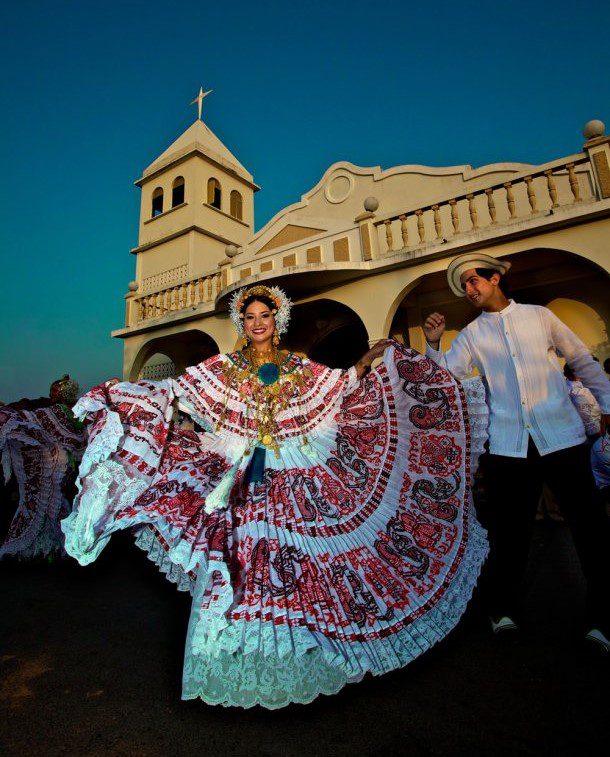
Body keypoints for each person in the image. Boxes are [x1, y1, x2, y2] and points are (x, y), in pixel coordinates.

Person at [62, 284, 489, 709]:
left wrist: (368, 359)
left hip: (294, 467)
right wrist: (128, 393)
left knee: (297, 561)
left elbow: (340, 386)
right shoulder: (224, 367)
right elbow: (178, 388)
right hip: (241, 469)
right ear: (242, 324)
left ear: (277, 320)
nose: (257, 323)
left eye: (264, 316)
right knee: (243, 557)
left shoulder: (298, 366)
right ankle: (240, 654)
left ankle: (302, 648)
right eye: (249, 318)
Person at [422, 253, 610, 652]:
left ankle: (603, 617)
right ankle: (503, 608)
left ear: (495, 279)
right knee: (508, 534)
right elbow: (443, 381)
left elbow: (580, 359)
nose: (470, 290)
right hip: (508, 447)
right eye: (464, 286)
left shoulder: (539, 316)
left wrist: (608, 405)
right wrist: (434, 344)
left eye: (475, 281)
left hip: (563, 438)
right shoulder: (473, 334)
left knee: (590, 530)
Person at [0, 375, 84, 559]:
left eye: (55, 390)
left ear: (63, 393)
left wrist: (6, 412)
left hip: (57, 464)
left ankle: (45, 548)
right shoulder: (77, 411)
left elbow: (30, 417)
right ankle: (53, 547)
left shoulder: (56, 410)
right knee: (56, 502)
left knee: (42, 501)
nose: (51, 393)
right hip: (68, 467)